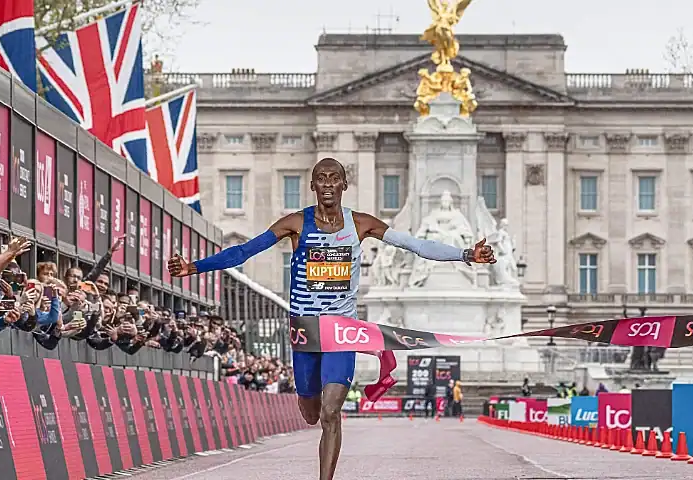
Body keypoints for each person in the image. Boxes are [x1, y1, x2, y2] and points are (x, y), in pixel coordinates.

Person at [167, 157, 496, 480]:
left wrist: (465, 254)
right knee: (311, 413)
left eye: (333, 177)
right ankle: (306, 396)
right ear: (312, 186)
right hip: (306, 331)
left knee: (330, 412)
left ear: (343, 184)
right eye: (320, 178)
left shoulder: (361, 224)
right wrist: (194, 267)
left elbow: (415, 244)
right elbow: (244, 251)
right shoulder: (295, 223)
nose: (327, 183)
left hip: (342, 331)